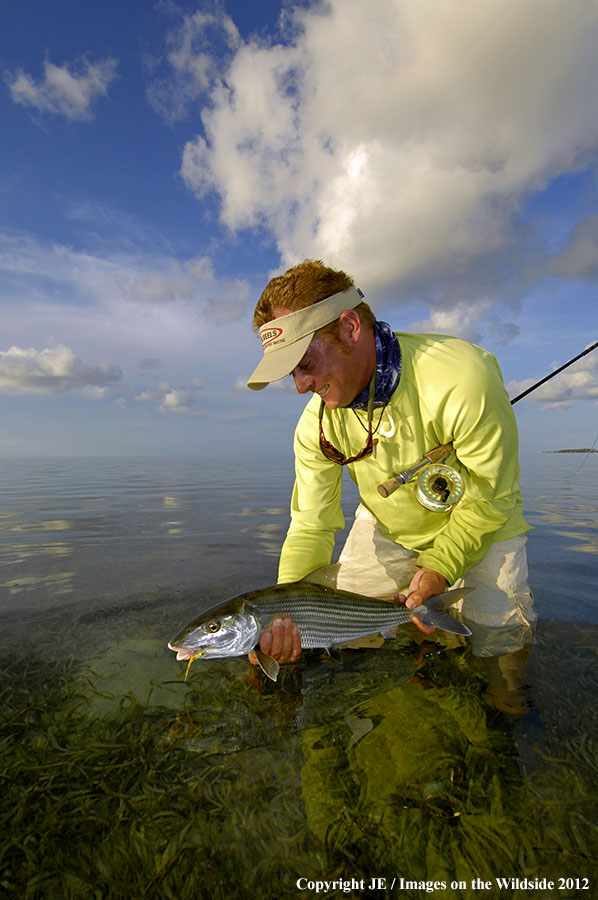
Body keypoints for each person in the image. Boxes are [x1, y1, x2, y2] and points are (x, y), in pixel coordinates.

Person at [246, 259, 535, 666]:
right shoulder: (316, 425)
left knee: (501, 647)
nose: (300, 387)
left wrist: (441, 566)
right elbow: (311, 523)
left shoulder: (462, 378)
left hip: (487, 521)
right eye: (290, 373)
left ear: (349, 327)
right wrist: (284, 614)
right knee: (342, 636)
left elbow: (492, 495)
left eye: (306, 364)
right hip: (390, 525)